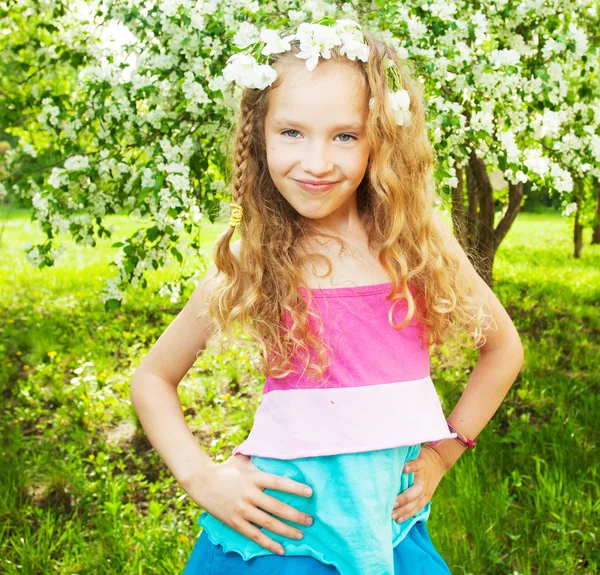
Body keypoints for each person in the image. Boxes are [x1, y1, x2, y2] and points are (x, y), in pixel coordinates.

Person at [130, 19, 525, 575]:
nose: (317, 163)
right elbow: (152, 378)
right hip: (282, 542)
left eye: (345, 136)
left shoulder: (414, 245)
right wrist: (203, 479)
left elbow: (504, 350)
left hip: (391, 533)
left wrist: (443, 453)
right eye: (292, 132)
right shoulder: (257, 255)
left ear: (380, 139)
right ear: (259, 135)